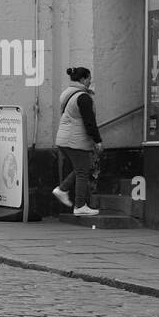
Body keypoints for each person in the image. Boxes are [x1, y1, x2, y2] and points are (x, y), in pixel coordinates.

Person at [52, 65, 103, 217]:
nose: (90, 81)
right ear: (82, 79)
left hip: (64, 139)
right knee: (82, 171)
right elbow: (89, 121)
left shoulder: (68, 93)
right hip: (74, 139)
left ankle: (62, 189)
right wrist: (97, 140)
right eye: (88, 78)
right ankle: (80, 205)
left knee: (81, 168)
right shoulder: (83, 97)